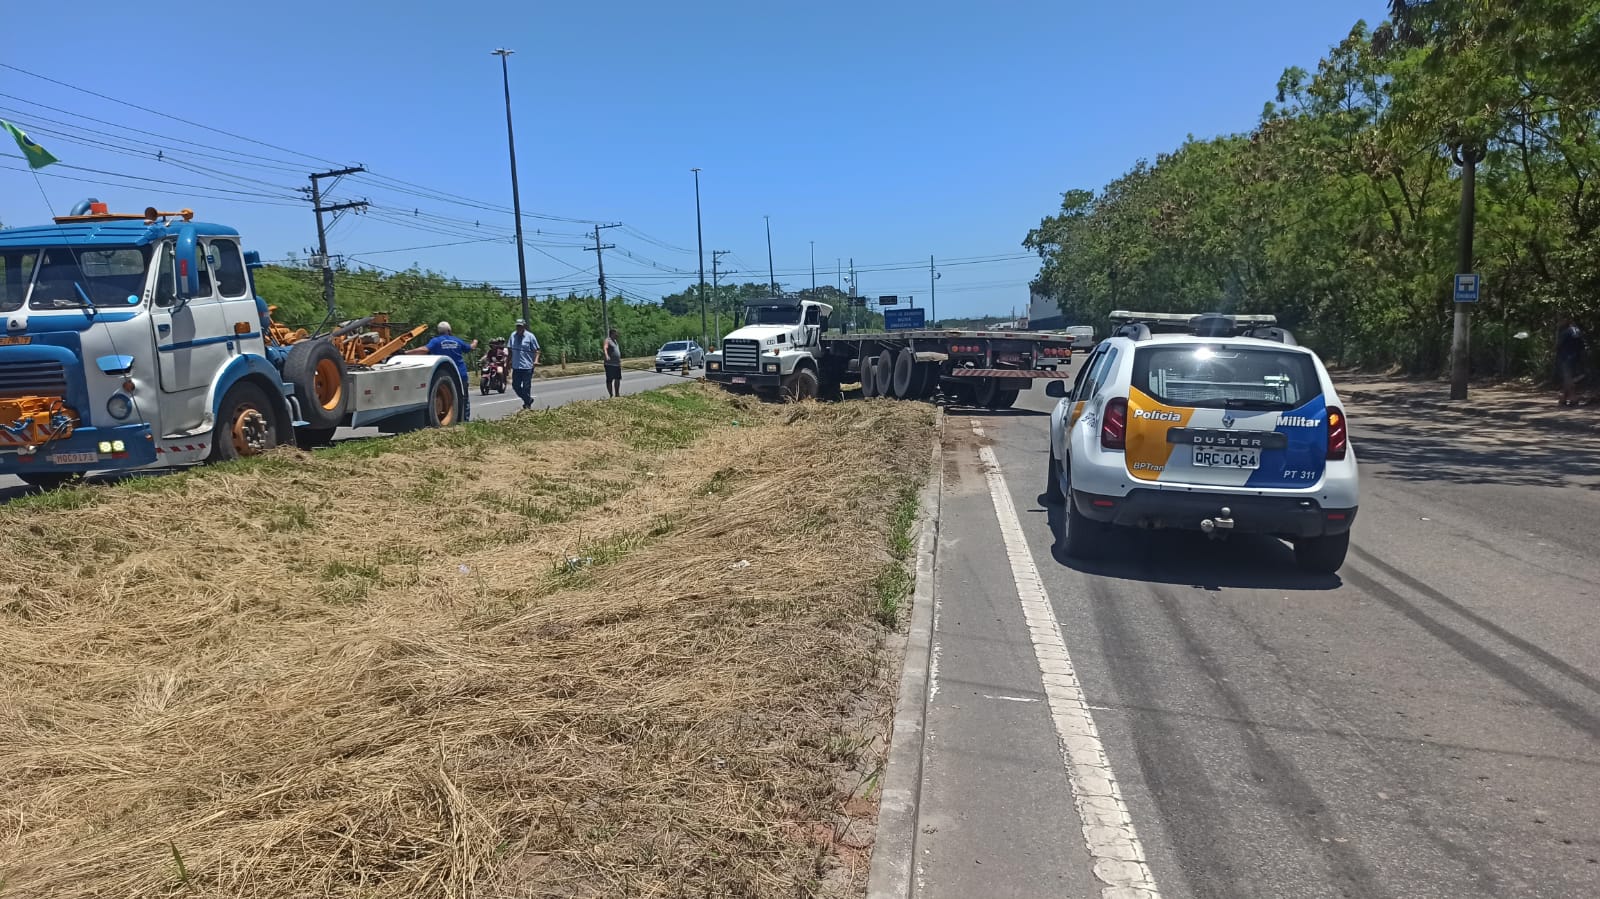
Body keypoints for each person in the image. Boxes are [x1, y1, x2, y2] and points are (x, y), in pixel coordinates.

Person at [407, 321, 478, 421]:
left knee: (449, 399)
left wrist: (406, 352)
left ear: (439, 331)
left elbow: (424, 350)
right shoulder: (457, 340)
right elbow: (470, 348)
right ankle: (464, 420)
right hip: (460, 374)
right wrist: (475, 341)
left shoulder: (435, 341)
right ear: (449, 330)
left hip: (443, 376)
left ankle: (449, 417)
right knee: (463, 398)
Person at [507, 318, 541, 410]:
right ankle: (528, 400)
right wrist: (508, 363)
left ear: (524, 326)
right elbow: (510, 351)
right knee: (516, 386)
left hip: (527, 366)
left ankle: (527, 405)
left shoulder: (530, 336)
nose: (519, 328)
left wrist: (536, 360)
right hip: (516, 366)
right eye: (517, 326)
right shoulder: (512, 336)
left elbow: (537, 350)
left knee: (526, 387)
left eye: (520, 326)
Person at [1557, 319, 1587, 407]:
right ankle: (1563, 398)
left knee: (1568, 378)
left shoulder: (1565, 332)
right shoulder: (1577, 330)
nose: (1559, 323)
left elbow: (1559, 345)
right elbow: (1582, 345)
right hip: (1576, 357)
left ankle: (1573, 398)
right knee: (1569, 378)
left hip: (1566, 357)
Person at [603, 328, 623, 398]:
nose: (617, 335)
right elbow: (605, 348)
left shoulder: (615, 341)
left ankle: (617, 394)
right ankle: (611, 395)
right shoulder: (608, 340)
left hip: (617, 364)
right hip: (609, 364)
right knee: (610, 380)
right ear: (612, 333)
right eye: (616, 333)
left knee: (617, 379)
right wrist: (606, 355)